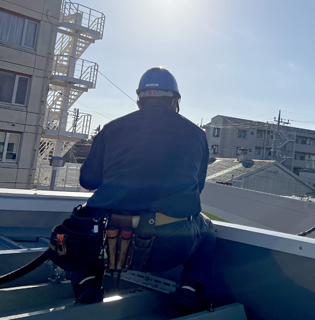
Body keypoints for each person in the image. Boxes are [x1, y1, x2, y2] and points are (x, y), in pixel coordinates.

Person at [72, 67, 215, 314]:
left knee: (81, 226)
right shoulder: (197, 134)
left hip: (109, 245)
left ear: (139, 101)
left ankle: (88, 282)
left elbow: (88, 180)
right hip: (170, 248)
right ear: (175, 101)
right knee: (207, 228)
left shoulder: (112, 128)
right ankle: (191, 291)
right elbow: (196, 191)